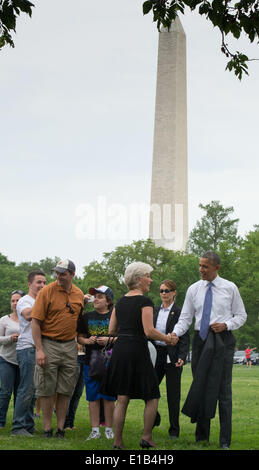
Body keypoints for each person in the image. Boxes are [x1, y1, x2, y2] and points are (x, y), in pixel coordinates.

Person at [172, 251, 247, 449]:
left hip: (222, 340)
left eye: (205, 266)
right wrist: (175, 334)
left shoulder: (230, 288)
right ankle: (202, 437)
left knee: (223, 390)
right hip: (201, 340)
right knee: (200, 386)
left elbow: (241, 316)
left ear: (216, 268)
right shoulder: (193, 289)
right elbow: (185, 319)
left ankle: (224, 441)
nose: (201, 270)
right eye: (200, 265)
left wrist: (226, 325)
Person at [101, 262, 175, 449]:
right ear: (138, 279)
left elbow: (111, 330)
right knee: (152, 395)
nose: (151, 280)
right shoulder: (145, 301)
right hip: (137, 349)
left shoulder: (120, 302)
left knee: (122, 397)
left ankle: (117, 442)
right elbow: (149, 331)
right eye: (148, 276)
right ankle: (147, 437)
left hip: (120, 350)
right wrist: (167, 339)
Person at [31, 259, 84, 438]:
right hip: (48, 343)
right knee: (46, 388)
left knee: (65, 389)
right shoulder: (46, 291)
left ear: (72, 275)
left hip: (70, 345)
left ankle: (60, 428)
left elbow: (78, 321)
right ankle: (47, 428)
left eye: (63, 273)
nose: (58, 276)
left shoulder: (79, 294)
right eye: (57, 272)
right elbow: (35, 322)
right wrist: (39, 349)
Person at [77, 285, 116, 441]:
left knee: (109, 396)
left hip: (110, 361)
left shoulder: (115, 315)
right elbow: (79, 337)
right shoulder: (86, 317)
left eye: (100, 297)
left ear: (108, 301)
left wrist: (109, 339)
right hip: (90, 361)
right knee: (92, 397)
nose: (96, 299)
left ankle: (108, 429)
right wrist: (88, 340)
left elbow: (123, 337)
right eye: (95, 296)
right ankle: (94, 430)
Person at [11, 271, 46, 437]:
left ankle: (28, 425)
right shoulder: (25, 301)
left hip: (38, 348)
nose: (42, 285)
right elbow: (28, 314)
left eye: (44, 282)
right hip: (27, 349)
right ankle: (18, 427)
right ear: (29, 284)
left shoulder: (40, 299)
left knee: (34, 391)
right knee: (26, 389)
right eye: (38, 282)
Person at [153, 280, 189, 439]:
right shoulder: (154, 311)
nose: (164, 294)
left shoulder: (180, 313)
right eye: (161, 291)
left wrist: (182, 356)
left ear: (174, 292)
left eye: (167, 291)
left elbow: (185, 337)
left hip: (172, 356)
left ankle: (174, 430)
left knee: (173, 395)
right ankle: (154, 416)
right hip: (156, 354)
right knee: (149, 389)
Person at [0, 290, 25, 428]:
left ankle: (19, 422)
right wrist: (10, 338)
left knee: (20, 393)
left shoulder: (28, 319)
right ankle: (1, 421)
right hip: (6, 359)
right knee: (5, 392)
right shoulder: (4, 320)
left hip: (23, 360)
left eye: (18, 300)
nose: (15, 303)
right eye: (13, 301)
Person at [64, 343, 85, 429]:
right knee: (69, 392)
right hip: (73, 358)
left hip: (85, 359)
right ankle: (65, 423)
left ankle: (71, 422)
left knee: (78, 393)